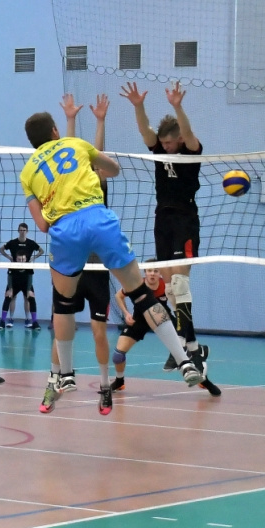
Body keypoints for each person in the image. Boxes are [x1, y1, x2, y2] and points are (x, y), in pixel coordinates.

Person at [20, 101, 203, 416]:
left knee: (62, 304)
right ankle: (185, 360)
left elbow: (41, 225)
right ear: (55, 131)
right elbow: (113, 169)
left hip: (66, 231)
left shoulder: (27, 173)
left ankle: (66, 374)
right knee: (142, 294)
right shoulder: (76, 145)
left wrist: (57, 204)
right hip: (99, 220)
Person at [121, 81, 208, 373]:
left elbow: (189, 133)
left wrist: (177, 107)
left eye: (170, 143)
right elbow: (145, 130)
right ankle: (193, 347)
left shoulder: (191, 150)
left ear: (179, 139)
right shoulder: (159, 148)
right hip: (162, 219)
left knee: (180, 283)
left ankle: (182, 344)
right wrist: (138, 105)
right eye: (164, 143)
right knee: (169, 289)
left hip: (185, 219)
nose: (165, 147)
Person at [47, 94, 115, 413]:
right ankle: (55, 381)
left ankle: (105, 386)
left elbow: (94, 157)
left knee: (99, 332)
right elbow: (69, 151)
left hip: (97, 270)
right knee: (62, 327)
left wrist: (100, 121)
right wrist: (71, 119)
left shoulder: (96, 186)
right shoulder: (64, 187)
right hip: (70, 269)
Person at [110, 261, 220, 397]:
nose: (152, 274)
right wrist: (126, 313)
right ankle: (119, 381)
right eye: (149, 271)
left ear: (160, 273)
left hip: (163, 319)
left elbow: (180, 303)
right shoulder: (137, 285)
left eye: (156, 271)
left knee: (185, 351)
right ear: (145, 272)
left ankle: (204, 380)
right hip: (139, 320)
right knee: (118, 355)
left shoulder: (165, 286)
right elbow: (118, 296)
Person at [0, 223, 43, 330]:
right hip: (14, 278)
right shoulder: (13, 243)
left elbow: (41, 251)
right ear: (18, 231)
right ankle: (5, 321)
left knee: (30, 297)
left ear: (27, 231)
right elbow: (1, 250)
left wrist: (33, 259)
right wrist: (9, 258)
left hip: (26, 279)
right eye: (21, 230)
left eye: (24, 230)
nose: (22, 232)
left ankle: (32, 321)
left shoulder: (31, 243)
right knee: (9, 296)